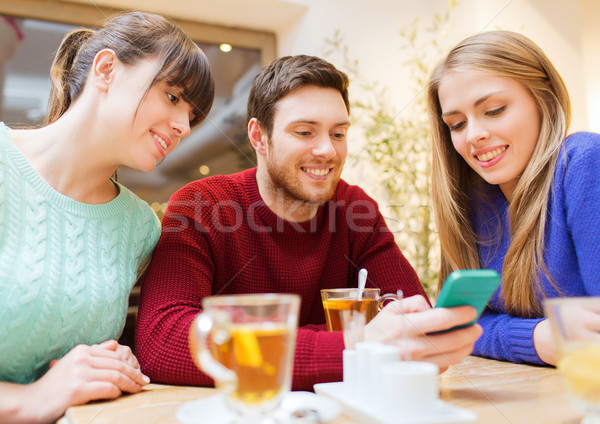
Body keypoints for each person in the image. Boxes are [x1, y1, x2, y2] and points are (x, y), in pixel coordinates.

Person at [136, 54, 481, 391]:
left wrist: (401, 335)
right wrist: (353, 346)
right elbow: (164, 341)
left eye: (338, 134)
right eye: (304, 132)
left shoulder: (354, 209)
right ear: (259, 137)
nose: (327, 151)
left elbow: (409, 318)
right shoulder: (202, 206)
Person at [0, 11, 214, 423]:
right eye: (173, 96)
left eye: (193, 114)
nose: (185, 126)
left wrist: (110, 365)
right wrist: (32, 399)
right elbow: (49, 389)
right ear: (106, 68)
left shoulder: (138, 226)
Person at [427, 30, 600, 367]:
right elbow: (454, 324)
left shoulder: (583, 162)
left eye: (494, 110)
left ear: (544, 98)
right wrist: (539, 339)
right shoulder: (475, 200)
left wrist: (509, 334)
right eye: (457, 123)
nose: (474, 135)